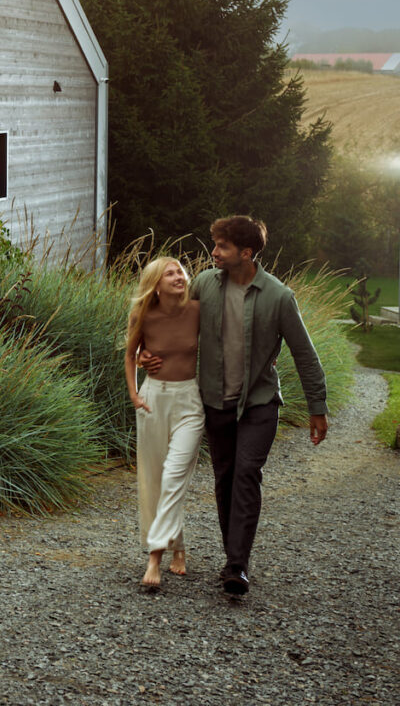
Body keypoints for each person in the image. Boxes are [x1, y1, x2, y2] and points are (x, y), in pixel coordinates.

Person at [142, 215, 328, 596]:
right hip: (215, 402)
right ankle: (233, 557)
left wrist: (317, 406)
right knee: (225, 477)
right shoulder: (205, 284)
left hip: (260, 403)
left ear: (246, 252)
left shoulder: (279, 297)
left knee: (246, 473)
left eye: (222, 247)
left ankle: (237, 565)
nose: (214, 252)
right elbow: (173, 320)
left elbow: (305, 354)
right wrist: (146, 351)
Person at [124, 256, 203, 589]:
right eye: (169, 273)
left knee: (173, 475)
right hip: (153, 399)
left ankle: (154, 557)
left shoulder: (198, 310)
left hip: (190, 402)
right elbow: (130, 354)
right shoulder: (143, 314)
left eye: (180, 271)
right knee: (155, 479)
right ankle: (178, 547)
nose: (178, 276)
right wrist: (134, 394)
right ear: (156, 284)